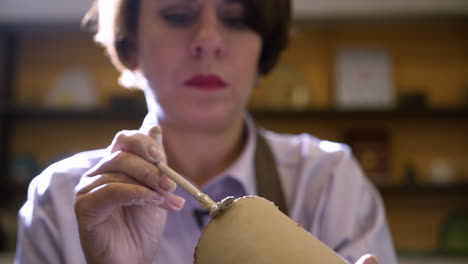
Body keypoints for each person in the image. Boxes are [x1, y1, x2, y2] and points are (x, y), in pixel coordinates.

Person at [15, 0, 398, 263]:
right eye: (179, 15)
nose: (209, 42)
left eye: (235, 18)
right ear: (131, 45)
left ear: (263, 46)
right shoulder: (61, 202)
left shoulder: (331, 182)